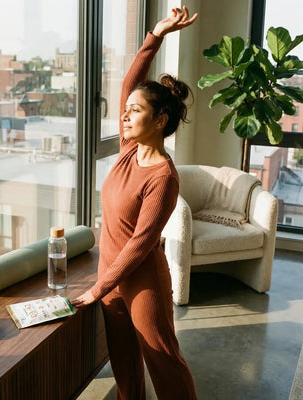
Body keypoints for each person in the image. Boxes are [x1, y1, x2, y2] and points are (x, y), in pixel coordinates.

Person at [72, 7, 198, 400]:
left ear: (160, 120)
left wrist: (97, 288)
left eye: (135, 112)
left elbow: (141, 244)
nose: (125, 117)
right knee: (124, 367)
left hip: (142, 282)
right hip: (111, 275)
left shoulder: (163, 177)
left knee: (164, 363)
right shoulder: (129, 150)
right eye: (125, 112)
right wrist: (156, 35)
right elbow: (130, 83)